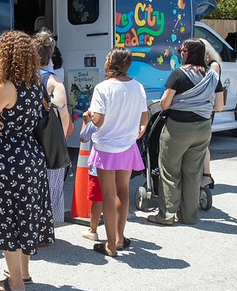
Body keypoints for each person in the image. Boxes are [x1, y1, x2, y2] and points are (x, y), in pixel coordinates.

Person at [0, 31, 54, 291]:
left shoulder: (7, 86)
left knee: (7, 218)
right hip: (31, 156)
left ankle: (15, 284)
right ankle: (23, 272)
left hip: (8, 158)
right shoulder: (37, 83)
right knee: (26, 215)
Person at [149, 39, 223, 226]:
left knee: (170, 170)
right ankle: (189, 216)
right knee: (193, 172)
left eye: (181, 50)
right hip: (203, 128)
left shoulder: (178, 74)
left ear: (187, 53)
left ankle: (166, 215)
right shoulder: (213, 76)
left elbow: (165, 104)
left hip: (178, 129)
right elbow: (220, 106)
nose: (180, 52)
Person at [89, 48, 148, 256]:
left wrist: (88, 119)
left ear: (111, 63)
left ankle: (111, 245)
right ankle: (120, 238)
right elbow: (144, 118)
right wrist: (137, 132)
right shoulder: (138, 87)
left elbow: (98, 120)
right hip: (127, 146)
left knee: (108, 195)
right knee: (123, 191)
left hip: (106, 147)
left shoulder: (102, 88)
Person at [33, 29, 72, 223]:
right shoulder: (54, 82)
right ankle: (45, 228)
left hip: (27, 140)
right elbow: (62, 114)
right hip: (48, 143)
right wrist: (62, 139)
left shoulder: (22, 78)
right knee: (51, 186)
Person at [198, 39, 222, 189]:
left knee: (203, 144)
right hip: (205, 107)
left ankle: (207, 175)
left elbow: (212, 86)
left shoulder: (213, 65)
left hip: (208, 108)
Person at [79, 113, 104, 241]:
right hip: (120, 163)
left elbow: (83, 137)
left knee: (98, 199)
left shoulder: (96, 123)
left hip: (99, 163)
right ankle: (118, 233)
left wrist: (86, 120)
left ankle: (93, 230)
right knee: (117, 194)